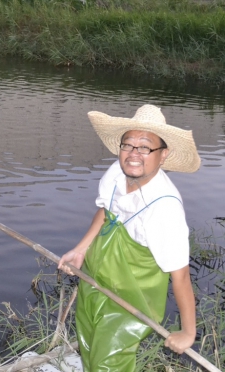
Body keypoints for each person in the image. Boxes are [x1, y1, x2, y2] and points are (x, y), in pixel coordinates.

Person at [58, 104, 201, 371]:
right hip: (96, 279)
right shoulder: (116, 172)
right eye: (128, 145)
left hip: (131, 299)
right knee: (88, 348)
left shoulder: (165, 209)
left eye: (145, 147)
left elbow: (180, 275)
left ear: (163, 155)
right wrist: (81, 250)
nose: (135, 154)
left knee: (109, 364)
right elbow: (105, 211)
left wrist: (187, 332)